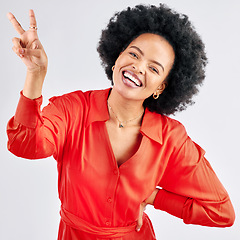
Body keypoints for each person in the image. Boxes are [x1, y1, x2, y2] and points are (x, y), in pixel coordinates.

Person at [6, 4, 235, 240]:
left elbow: (220, 212)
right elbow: (25, 145)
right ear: (117, 57)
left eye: (154, 68)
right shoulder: (73, 109)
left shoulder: (170, 138)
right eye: (134, 54)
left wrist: (155, 197)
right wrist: (35, 75)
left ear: (161, 87)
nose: (138, 67)